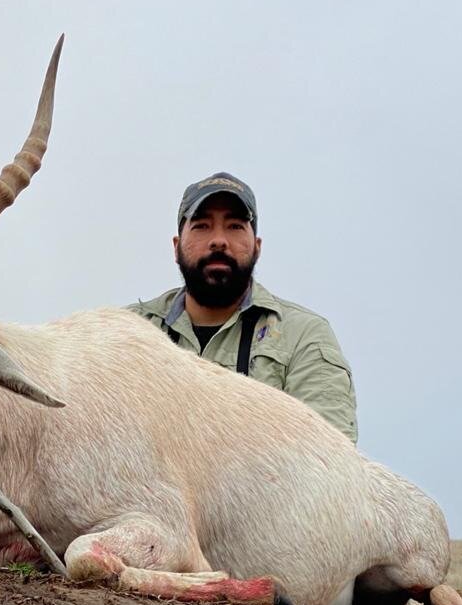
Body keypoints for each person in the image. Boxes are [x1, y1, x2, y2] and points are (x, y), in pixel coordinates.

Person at [127, 171, 358, 443]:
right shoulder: (129, 333)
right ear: (176, 247)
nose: (218, 240)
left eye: (235, 226)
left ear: (257, 247)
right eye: (201, 225)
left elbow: (329, 460)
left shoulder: (303, 335)